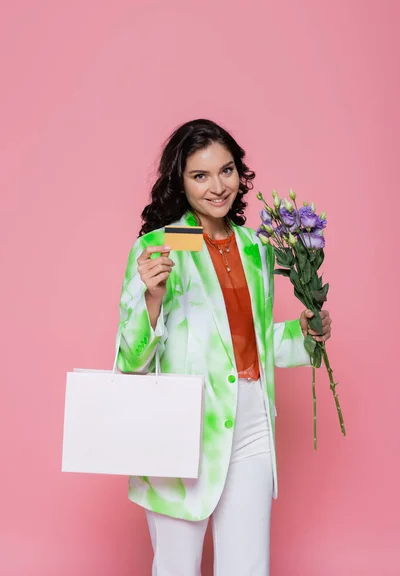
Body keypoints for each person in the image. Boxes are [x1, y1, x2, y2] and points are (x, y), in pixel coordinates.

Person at [116, 118, 332, 576]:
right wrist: (152, 299)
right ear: (180, 181)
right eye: (200, 175)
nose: (218, 187)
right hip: (185, 422)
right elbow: (130, 360)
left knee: (248, 565)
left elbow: (252, 341)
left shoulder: (257, 248)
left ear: (240, 173)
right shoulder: (162, 245)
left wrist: (306, 333)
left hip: (253, 421)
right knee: (177, 566)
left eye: (226, 170)